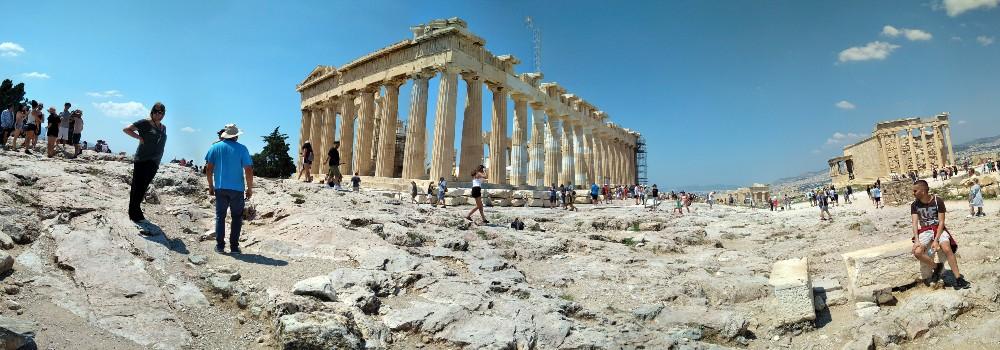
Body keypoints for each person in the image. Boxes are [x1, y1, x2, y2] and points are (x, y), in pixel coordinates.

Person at [910, 180, 969, 289]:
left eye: (915, 191)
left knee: (946, 248)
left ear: (923, 191)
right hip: (925, 230)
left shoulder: (938, 201)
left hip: (938, 228)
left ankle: (958, 278)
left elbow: (941, 221)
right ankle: (936, 266)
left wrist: (936, 240)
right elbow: (914, 223)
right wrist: (917, 241)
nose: (913, 193)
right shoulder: (914, 205)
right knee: (917, 252)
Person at [204, 124, 254, 254]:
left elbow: (208, 169)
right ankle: (234, 247)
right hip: (237, 189)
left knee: (220, 216)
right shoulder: (242, 149)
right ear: (236, 136)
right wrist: (250, 188)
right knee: (236, 217)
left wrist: (210, 186)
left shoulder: (215, 147)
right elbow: (248, 170)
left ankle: (220, 246)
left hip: (220, 187)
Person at [122, 102, 168, 224]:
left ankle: (136, 211)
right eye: (157, 112)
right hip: (142, 159)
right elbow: (127, 129)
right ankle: (134, 213)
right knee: (137, 186)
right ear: (152, 112)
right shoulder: (145, 123)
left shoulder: (163, 128)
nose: (160, 115)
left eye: (162, 112)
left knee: (144, 187)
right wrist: (139, 138)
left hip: (154, 161)